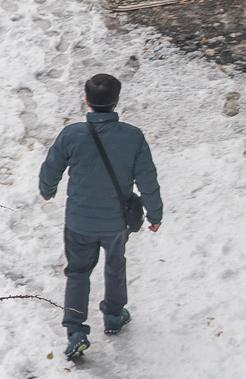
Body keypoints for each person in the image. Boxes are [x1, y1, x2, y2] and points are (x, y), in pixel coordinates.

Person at [39, 70, 163, 360]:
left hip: (79, 221)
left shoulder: (72, 135)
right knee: (115, 264)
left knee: (78, 272)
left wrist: (48, 189)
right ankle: (114, 315)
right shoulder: (133, 137)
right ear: (117, 101)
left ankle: (76, 331)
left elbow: (51, 168)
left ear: (86, 100)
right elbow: (148, 179)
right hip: (115, 222)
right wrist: (154, 214)